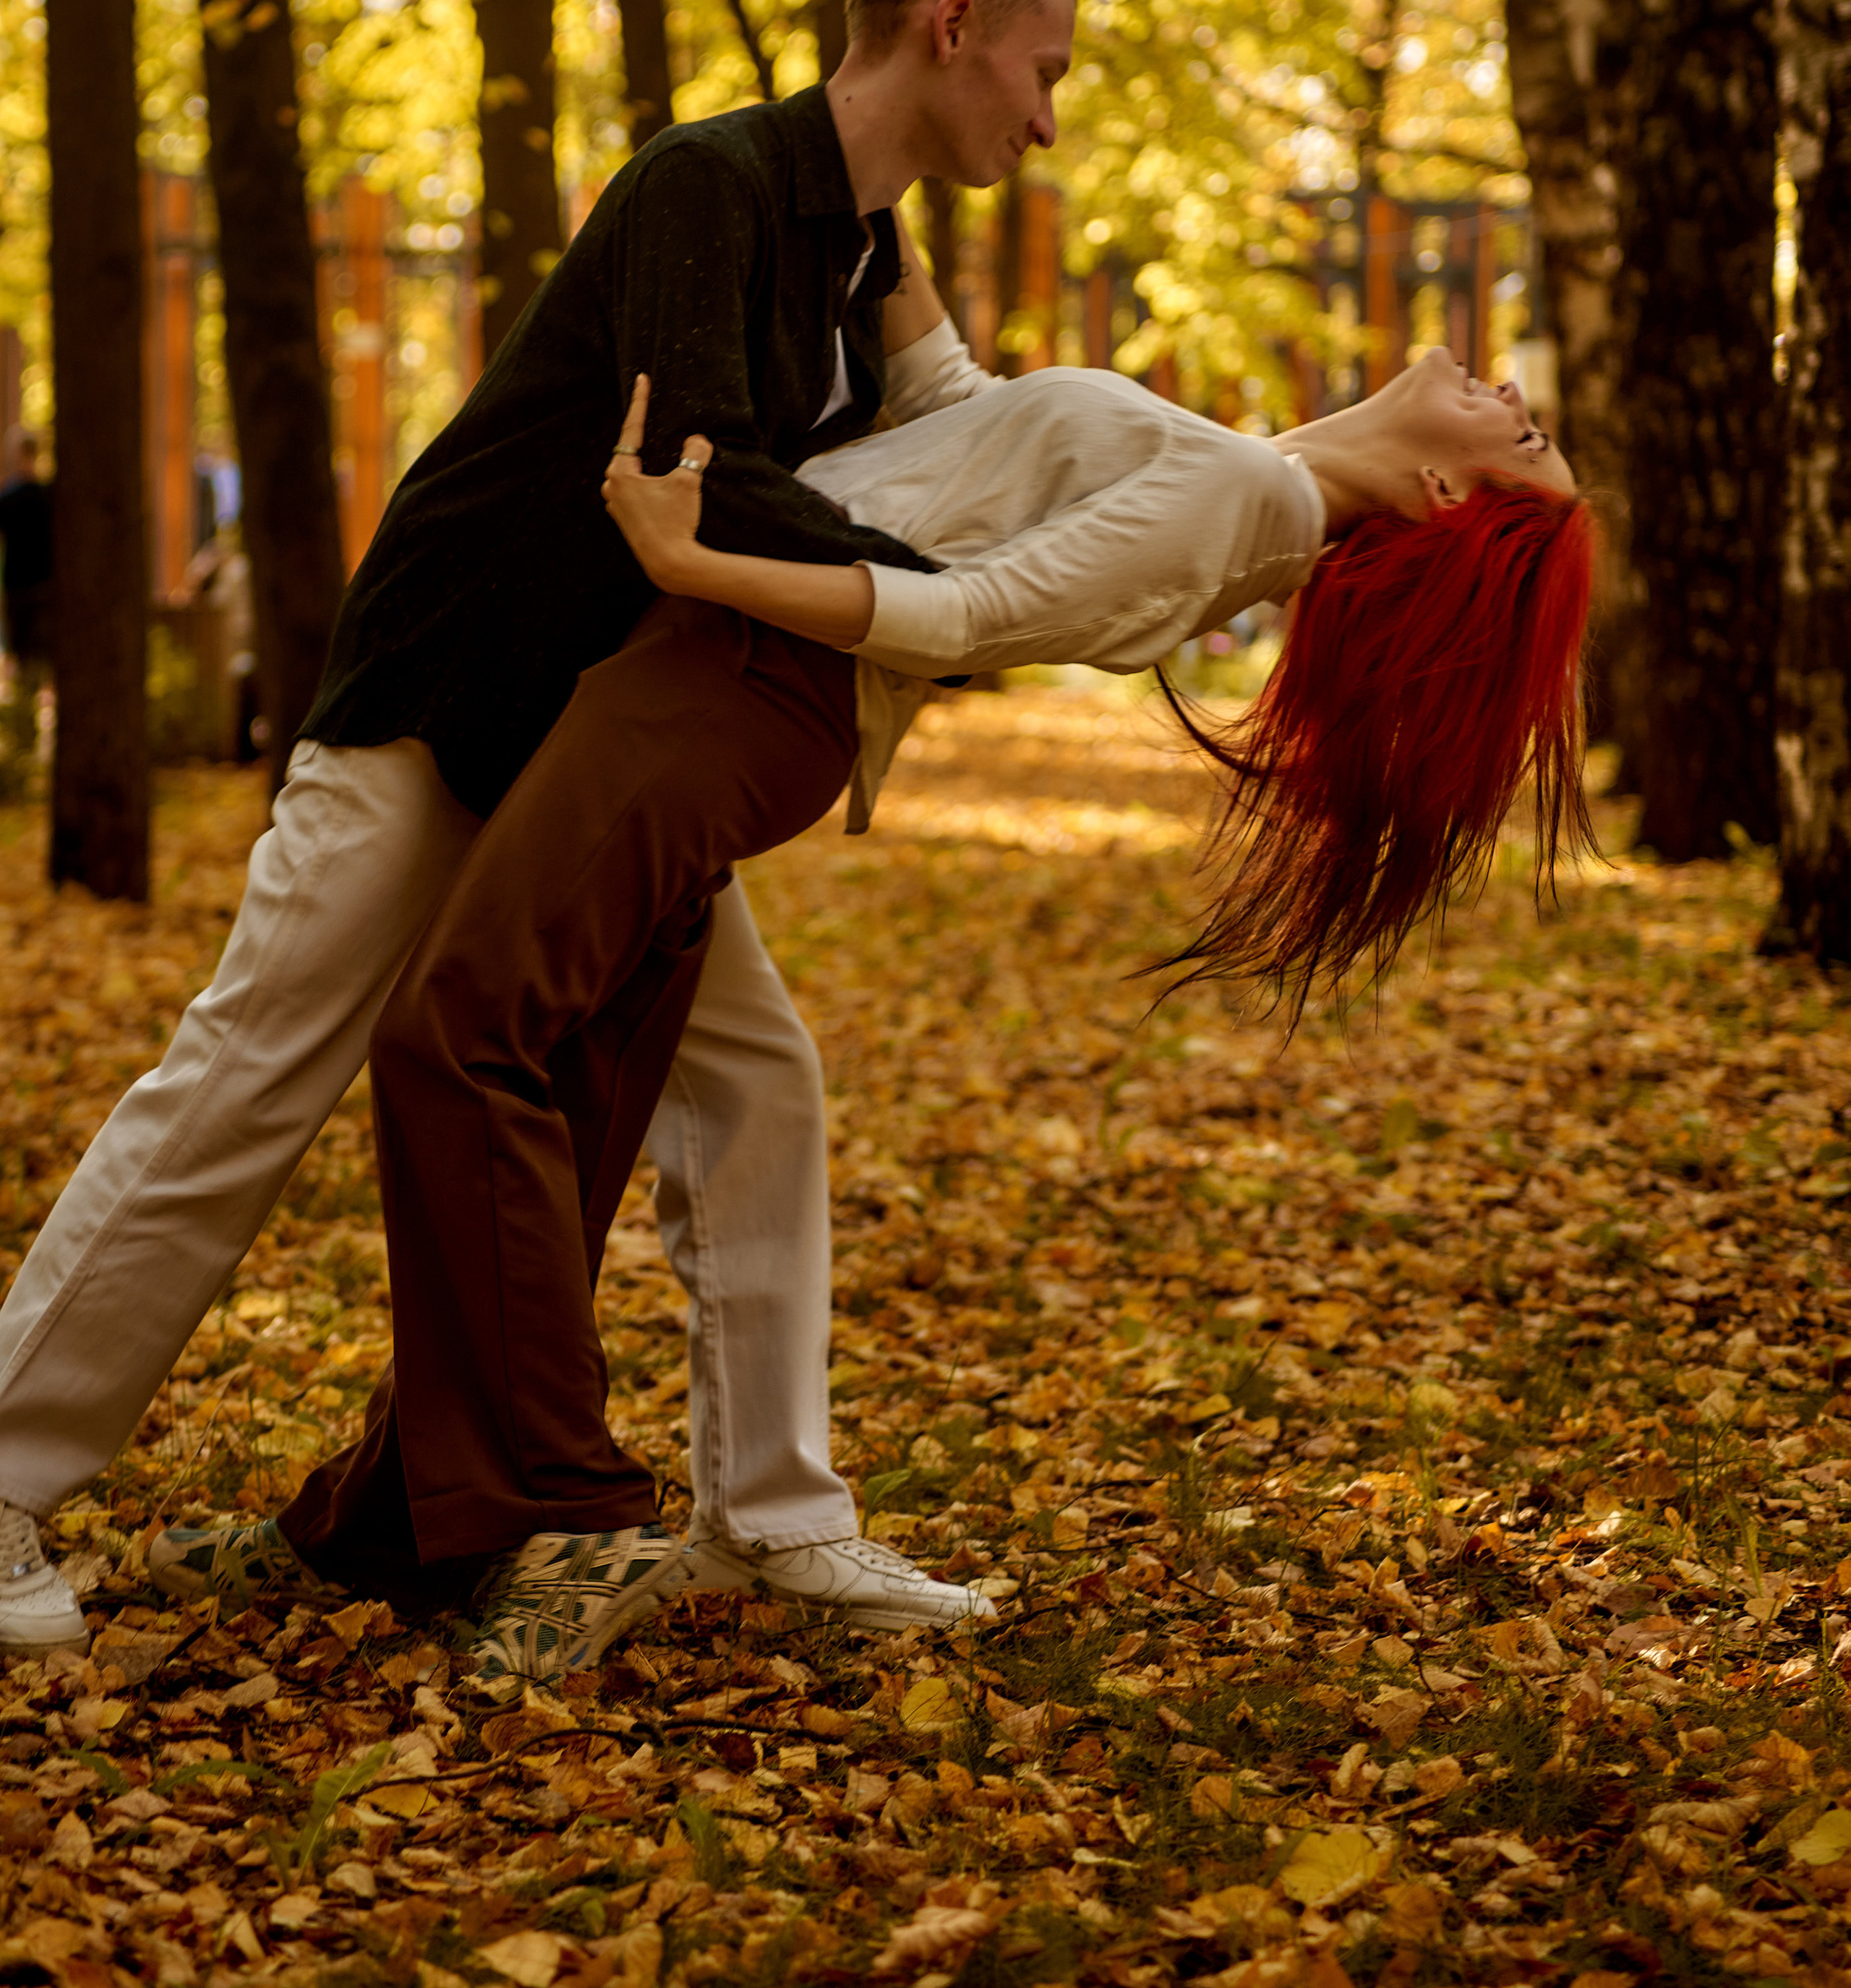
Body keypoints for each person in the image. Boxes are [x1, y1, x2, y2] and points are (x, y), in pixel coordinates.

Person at [148, 332, 1592, 1683]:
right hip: (719, 675)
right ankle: (409, 1519)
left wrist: (691, 556)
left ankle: (568, 1516)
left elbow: (958, 610)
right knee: (649, 1078)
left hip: (739, 676)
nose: (1516, 398)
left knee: (463, 1036)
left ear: (1446, 491)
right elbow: (951, 416)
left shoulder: (1239, 495)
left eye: (1523, 441)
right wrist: (888, 194)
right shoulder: (1238, 471)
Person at [0, 0, 1077, 1653]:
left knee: (756, 1080)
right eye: (1040, 71)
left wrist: (1282, 486)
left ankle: (771, 1518)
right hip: (445, 690)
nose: (1041, 122)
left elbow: (982, 430)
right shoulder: (709, 183)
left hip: (590, 750)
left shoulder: (864, 252)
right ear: (948, 24)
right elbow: (695, 471)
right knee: (252, 1072)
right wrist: (943, 604)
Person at [0, 427, 53, 707]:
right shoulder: (49, 496)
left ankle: (27, 712)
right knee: (37, 655)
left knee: (28, 656)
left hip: (25, 588)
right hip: (39, 586)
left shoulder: (12, 498)